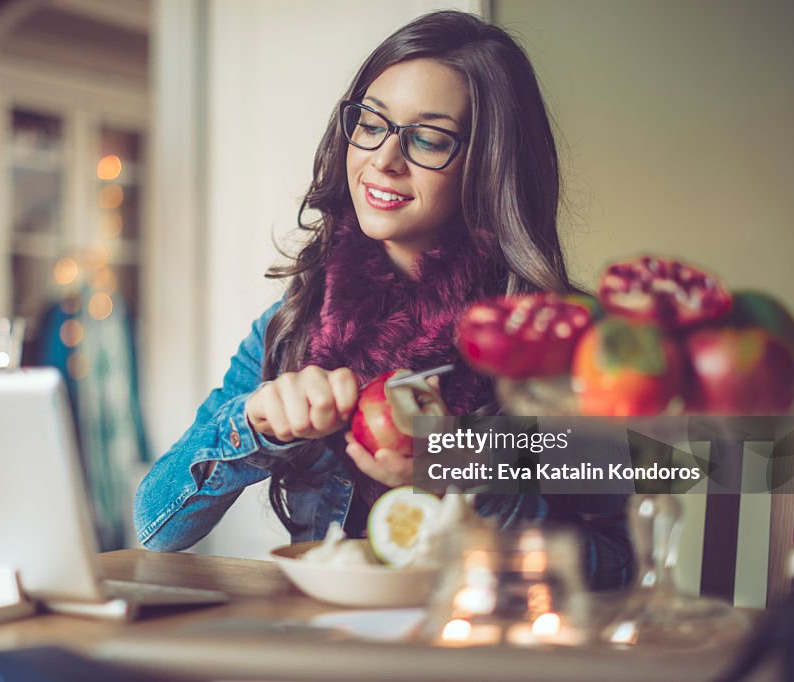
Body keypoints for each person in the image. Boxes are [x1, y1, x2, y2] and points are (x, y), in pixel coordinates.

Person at [135, 10, 633, 590]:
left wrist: (462, 483)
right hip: (333, 648)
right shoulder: (292, 324)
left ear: (491, 163)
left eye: (429, 139)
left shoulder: (563, 345)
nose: (383, 159)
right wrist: (255, 422)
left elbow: (618, 569)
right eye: (371, 123)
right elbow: (156, 526)